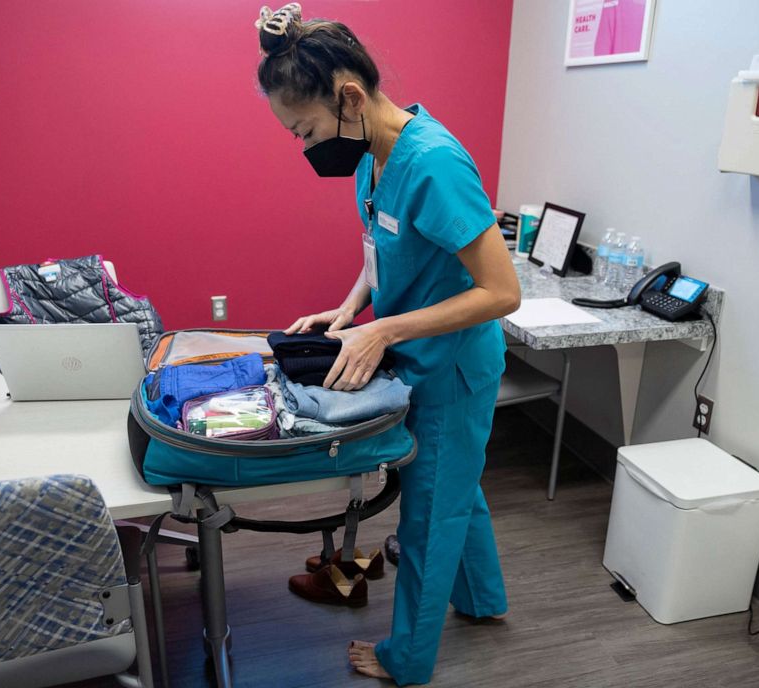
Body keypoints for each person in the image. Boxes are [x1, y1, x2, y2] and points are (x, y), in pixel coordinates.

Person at [254, 4, 521, 685]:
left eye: (305, 129)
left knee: (431, 508)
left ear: (348, 97)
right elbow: (383, 249)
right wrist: (348, 312)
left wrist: (384, 329)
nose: (305, 144)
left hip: (453, 367)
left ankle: (407, 660)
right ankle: (484, 599)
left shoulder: (434, 164)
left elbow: (501, 291)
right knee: (454, 482)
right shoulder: (375, 157)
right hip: (413, 357)